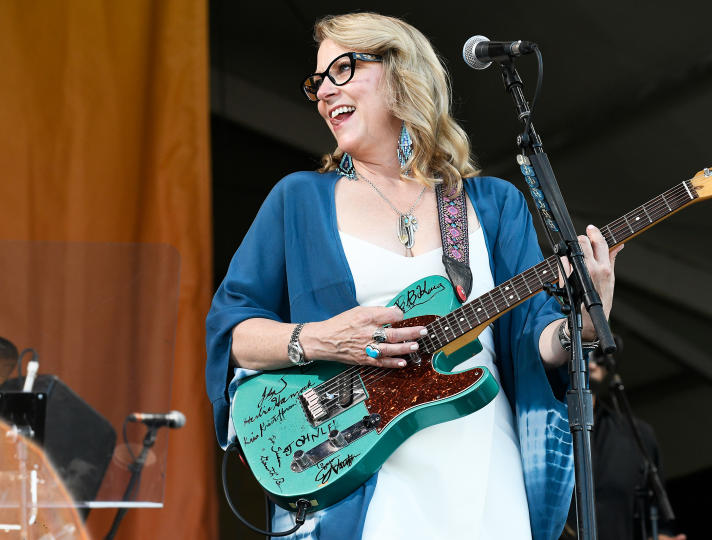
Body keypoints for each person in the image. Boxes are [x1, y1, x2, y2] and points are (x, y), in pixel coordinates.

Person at [205, 12, 623, 540]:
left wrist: (584, 319)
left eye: (342, 69)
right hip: (357, 473)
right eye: (318, 81)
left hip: (483, 471)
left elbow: (536, 341)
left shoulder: (491, 205)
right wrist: (320, 339)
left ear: (401, 71)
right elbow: (231, 332)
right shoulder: (299, 200)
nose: (323, 92)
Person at [560, 358, 686, 540]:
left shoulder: (637, 434)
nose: (594, 362)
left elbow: (657, 524)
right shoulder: (536, 428)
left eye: (600, 353)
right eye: (588, 350)